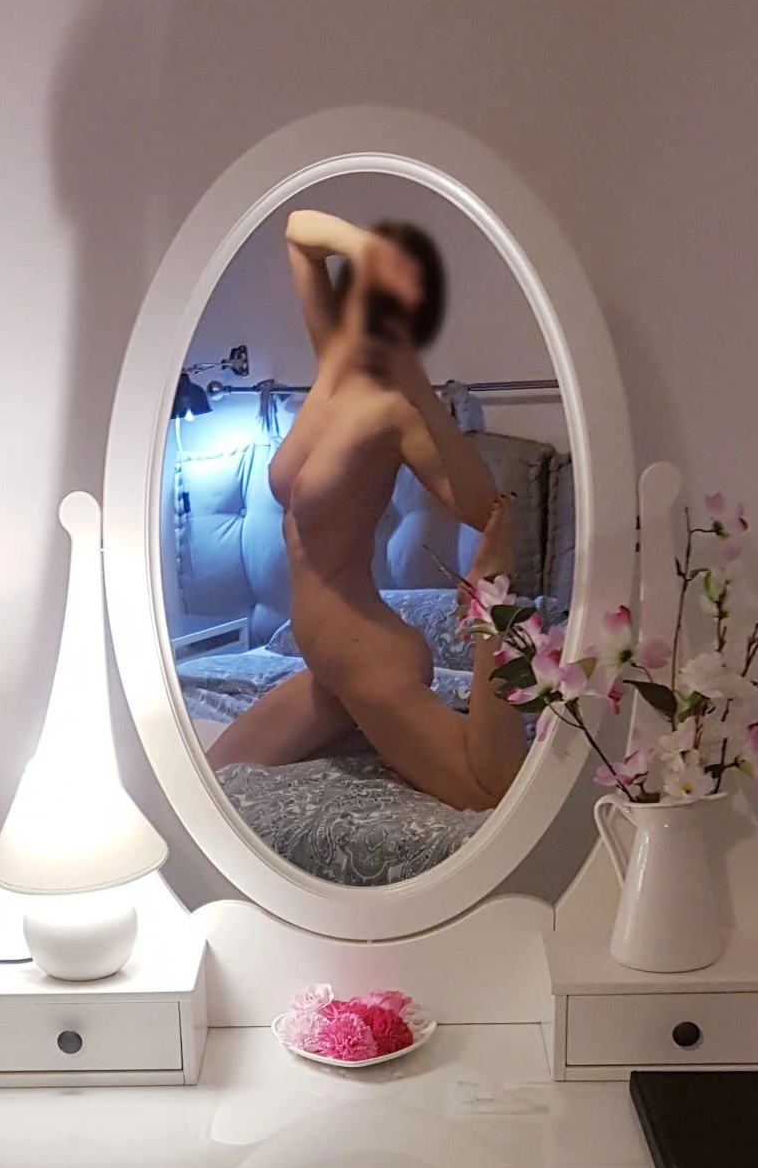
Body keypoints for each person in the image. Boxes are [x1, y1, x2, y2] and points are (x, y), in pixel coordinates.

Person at [205, 212, 527, 813]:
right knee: (209, 782)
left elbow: (483, 509)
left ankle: (493, 639)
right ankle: (360, 730)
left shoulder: (393, 412)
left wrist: (420, 389)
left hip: (366, 659)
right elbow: (298, 231)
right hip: (328, 672)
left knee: (487, 790)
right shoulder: (331, 364)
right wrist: (368, 248)